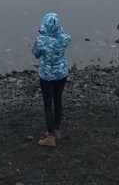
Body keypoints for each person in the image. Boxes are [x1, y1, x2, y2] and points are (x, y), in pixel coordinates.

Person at [31, 12, 71, 147]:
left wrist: (42, 34)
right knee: (58, 99)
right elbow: (63, 36)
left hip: (47, 76)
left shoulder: (41, 40)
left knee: (48, 105)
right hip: (62, 74)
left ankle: (50, 136)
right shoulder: (64, 39)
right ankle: (57, 128)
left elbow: (36, 53)